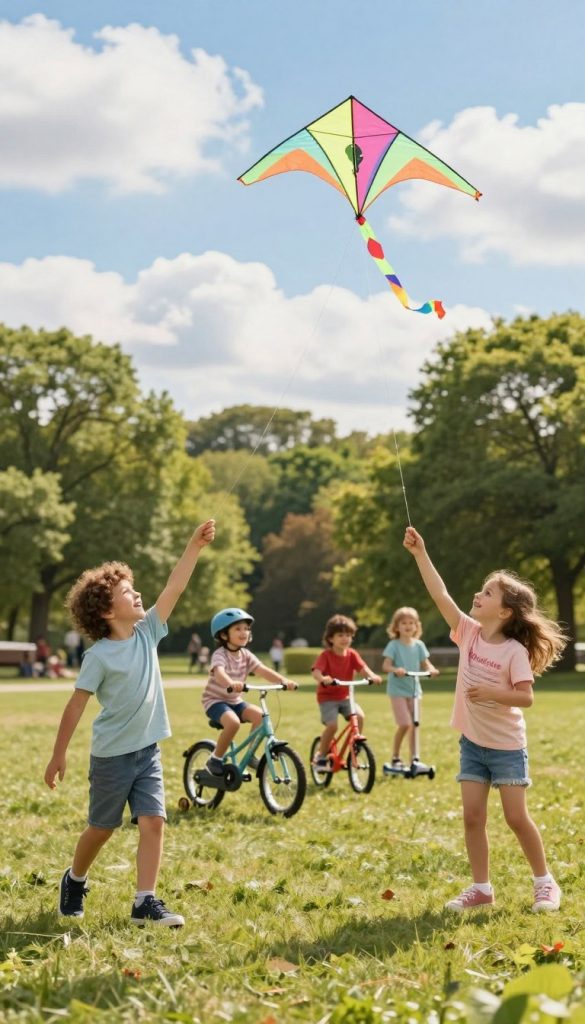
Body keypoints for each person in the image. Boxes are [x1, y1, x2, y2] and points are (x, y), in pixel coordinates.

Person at [44, 518, 216, 927]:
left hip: (147, 752)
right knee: (101, 828)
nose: (137, 593)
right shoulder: (99, 656)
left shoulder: (147, 632)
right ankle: (75, 878)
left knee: (154, 821)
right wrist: (58, 754)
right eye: (127, 592)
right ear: (107, 610)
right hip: (111, 759)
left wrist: (194, 545)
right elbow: (76, 704)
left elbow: (174, 588)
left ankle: (145, 902)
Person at [403, 525, 567, 913]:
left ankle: (545, 883)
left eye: (487, 593)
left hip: (508, 747)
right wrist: (420, 554)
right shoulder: (469, 633)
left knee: (515, 817)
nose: (477, 595)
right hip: (473, 744)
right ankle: (481, 888)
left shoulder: (513, 652)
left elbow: (525, 697)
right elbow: (439, 594)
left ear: (505, 611)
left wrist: (494, 693)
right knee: (473, 816)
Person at [202, 608, 298, 775]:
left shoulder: (246, 655)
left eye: (246, 628)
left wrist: (283, 681)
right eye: (238, 629)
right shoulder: (220, 654)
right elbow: (219, 672)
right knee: (233, 723)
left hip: (235, 701)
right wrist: (231, 683)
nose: (244, 632)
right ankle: (215, 759)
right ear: (224, 635)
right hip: (215, 701)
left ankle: (251, 753)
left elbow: (262, 670)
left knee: (260, 716)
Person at [311, 614, 382, 772]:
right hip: (327, 698)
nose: (345, 638)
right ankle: (321, 757)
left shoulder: (352, 654)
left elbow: (363, 669)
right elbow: (316, 672)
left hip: (345, 697)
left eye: (349, 635)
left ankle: (354, 748)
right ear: (330, 638)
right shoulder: (326, 655)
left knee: (360, 717)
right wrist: (323, 678)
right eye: (340, 635)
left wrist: (372, 677)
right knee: (332, 726)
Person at [382, 606, 439, 770]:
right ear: (396, 626)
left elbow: (426, 662)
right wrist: (396, 670)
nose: (408, 626)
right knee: (405, 724)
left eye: (411, 623)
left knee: (415, 724)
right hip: (397, 691)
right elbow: (386, 666)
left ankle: (414, 759)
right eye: (404, 623)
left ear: (416, 626)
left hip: (414, 690)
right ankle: (395, 757)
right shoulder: (394, 645)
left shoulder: (419, 645)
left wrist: (431, 669)